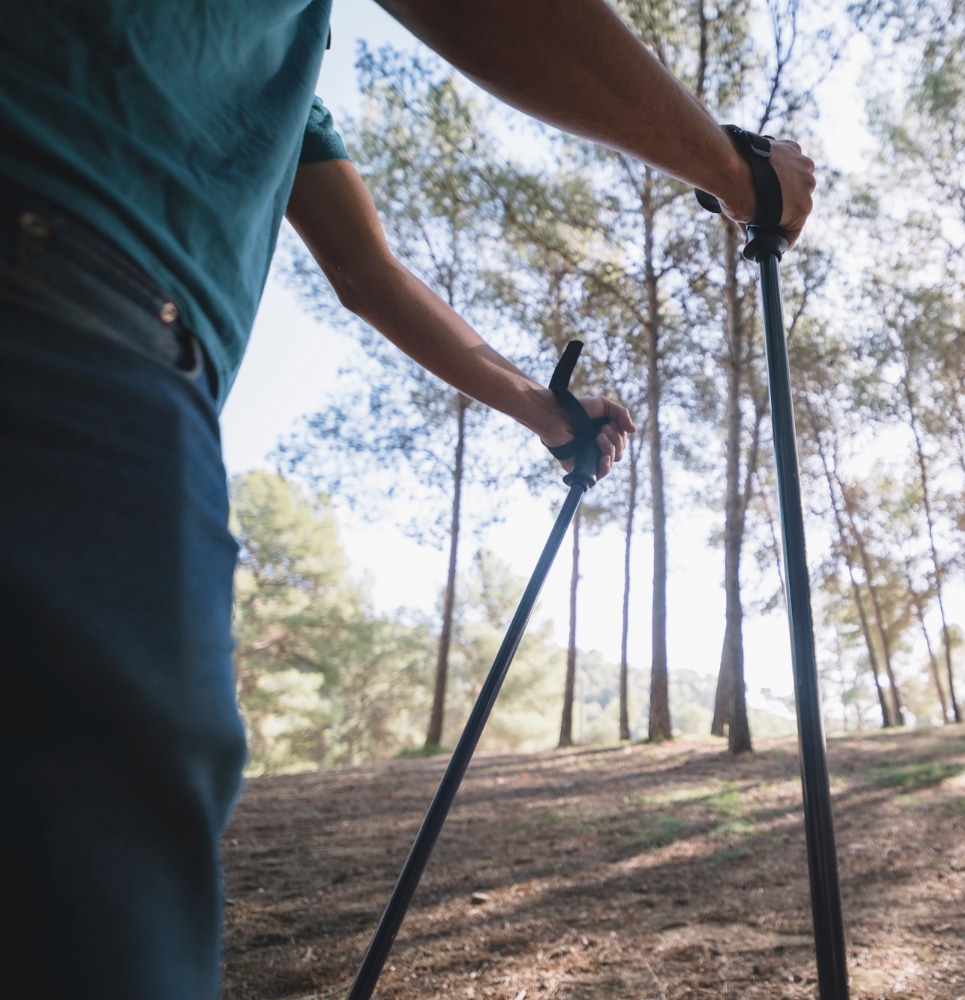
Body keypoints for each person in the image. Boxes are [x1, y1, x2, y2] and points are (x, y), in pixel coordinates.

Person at [0, 2, 816, 997]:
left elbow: (367, 271)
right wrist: (737, 173)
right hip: (64, 338)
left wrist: (540, 408)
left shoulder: (270, 76)